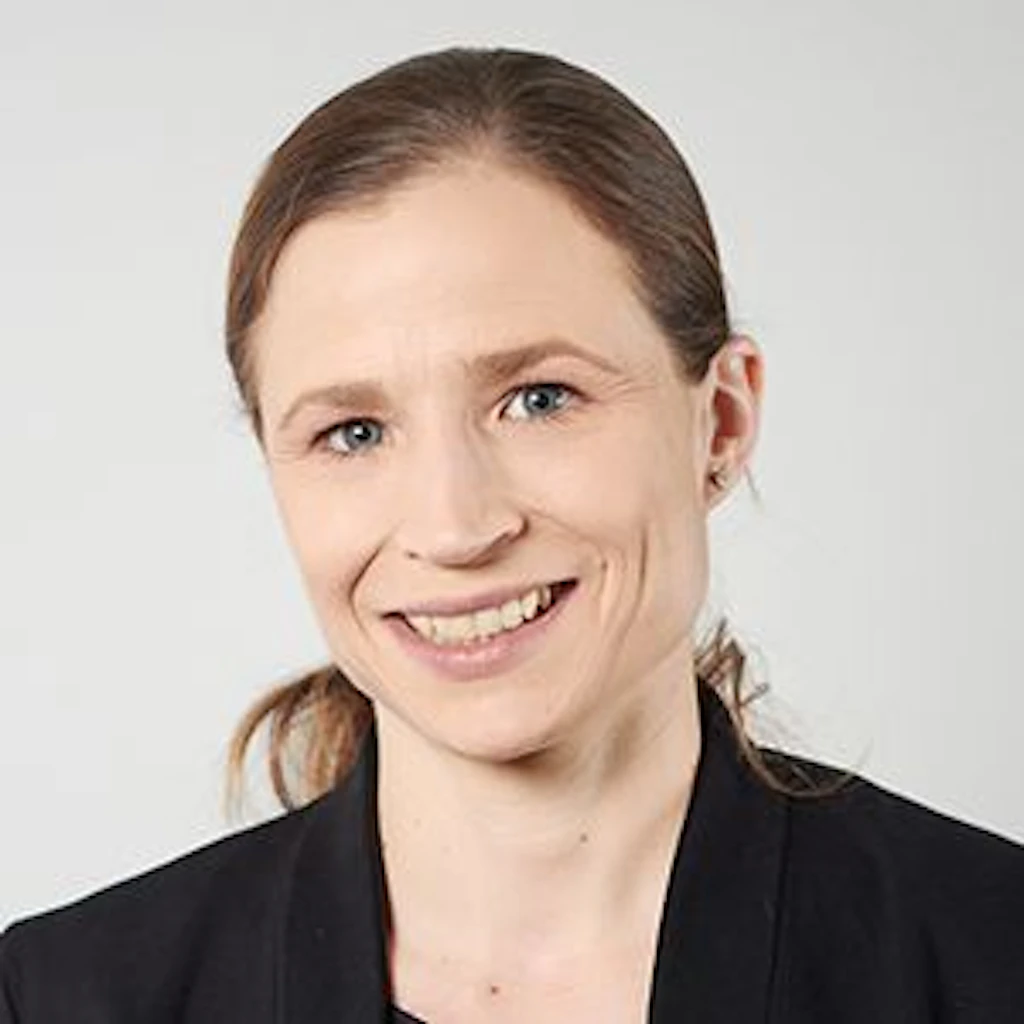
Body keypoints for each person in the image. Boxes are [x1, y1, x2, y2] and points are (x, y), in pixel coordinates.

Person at [2, 45, 1023, 1024]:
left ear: (721, 420)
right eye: (353, 432)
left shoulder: (994, 957)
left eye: (540, 398)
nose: (454, 527)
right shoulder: (62, 999)